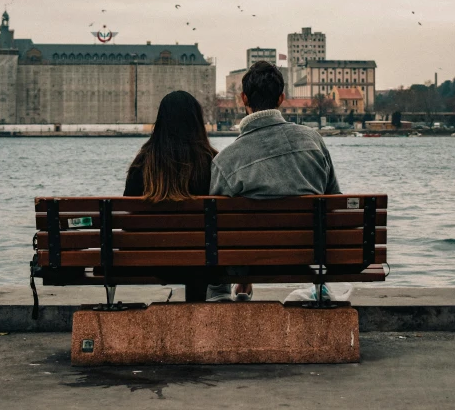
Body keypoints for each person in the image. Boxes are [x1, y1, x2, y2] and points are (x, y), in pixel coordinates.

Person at [208, 60, 341, 301]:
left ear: (243, 99)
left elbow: (216, 229)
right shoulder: (314, 141)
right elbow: (335, 203)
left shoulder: (225, 161)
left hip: (250, 263)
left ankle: (223, 297)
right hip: (308, 258)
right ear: (281, 98)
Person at [124, 90, 216, 200]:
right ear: (197, 122)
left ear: (160, 122)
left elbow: (129, 204)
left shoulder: (142, 162)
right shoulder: (213, 162)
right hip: (200, 218)